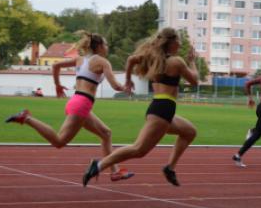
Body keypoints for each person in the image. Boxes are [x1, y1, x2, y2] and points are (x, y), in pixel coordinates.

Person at [5, 31, 133, 182]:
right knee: (59, 142)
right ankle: (27, 118)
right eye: (105, 44)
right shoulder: (102, 62)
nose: (107, 47)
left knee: (106, 133)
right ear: (98, 46)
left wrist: (57, 85)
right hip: (82, 104)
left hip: (77, 101)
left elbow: (56, 66)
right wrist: (125, 87)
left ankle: (115, 171)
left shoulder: (80, 59)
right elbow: (115, 85)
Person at [82, 27, 198, 187]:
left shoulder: (152, 58)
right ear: (170, 42)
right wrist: (192, 61)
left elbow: (131, 59)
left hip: (160, 109)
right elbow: (195, 81)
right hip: (163, 111)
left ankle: (170, 168)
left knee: (189, 132)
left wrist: (129, 79)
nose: (179, 43)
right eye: (177, 40)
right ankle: (99, 165)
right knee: (138, 149)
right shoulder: (176, 62)